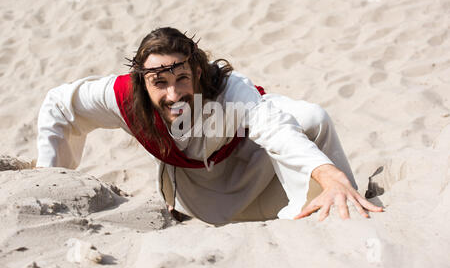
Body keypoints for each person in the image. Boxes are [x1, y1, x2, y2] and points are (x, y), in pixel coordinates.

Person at [36, 27, 382, 225]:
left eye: (182, 78)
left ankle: (342, 209)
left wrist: (328, 173)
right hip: (199, 198)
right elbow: (59, 105)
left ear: (197, 73)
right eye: (159, 83)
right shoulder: (122, 96)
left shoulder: (230, 90)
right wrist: (46, 182)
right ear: (143, 84)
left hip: (259, 175)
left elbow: (272, 127)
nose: (173, 94)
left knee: (311, 118)